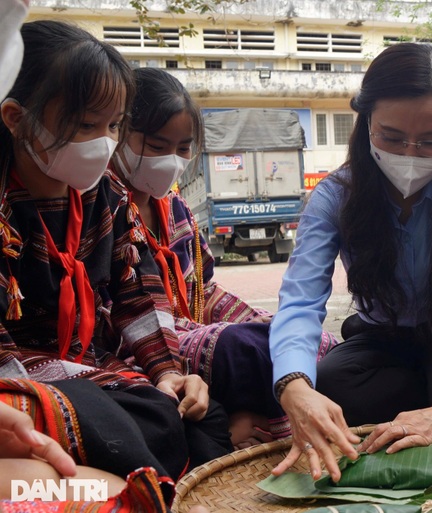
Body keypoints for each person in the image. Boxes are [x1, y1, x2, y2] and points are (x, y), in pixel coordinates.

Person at [268, 42, 432, 482]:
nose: (409, 154)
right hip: (382, 337)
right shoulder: (336, 195)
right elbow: (299, 298)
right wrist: (293, 384)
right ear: (366, 119)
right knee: (330, 386)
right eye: (391, 137)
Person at [0, 19, 232, 498]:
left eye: (112, 126)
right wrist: (82, 382)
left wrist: (169, 372)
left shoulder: (105, 196)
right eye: (85, 125)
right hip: (17, 372)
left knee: (195, 413)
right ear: (15, 117)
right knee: (136, 420)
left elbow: (137, 293)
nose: (103, 142)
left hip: (90, 363)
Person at [109, 67, 338, 449]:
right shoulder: (105, 205)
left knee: (301, 338)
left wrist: (265, 323)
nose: (171, 159)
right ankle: (287, 439)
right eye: (156, 144)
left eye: (182, 148)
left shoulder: (174, 208)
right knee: (244, 349)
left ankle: (266, 426)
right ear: (119, 135)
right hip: (143, 349)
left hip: (190, 334)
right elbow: (114, 314)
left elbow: (205, 292)